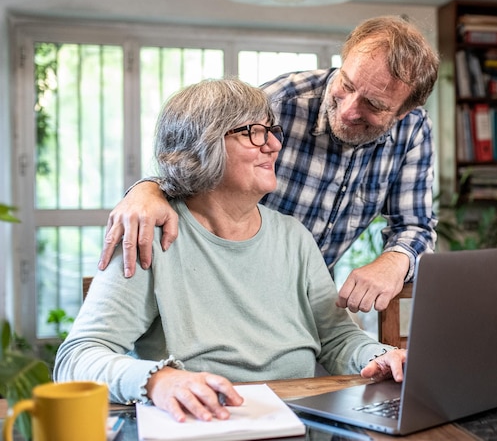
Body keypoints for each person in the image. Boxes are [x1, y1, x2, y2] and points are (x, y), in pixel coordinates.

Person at [54, 78, 406, 423]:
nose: (273, 146)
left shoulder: (293, 236)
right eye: (252, 132)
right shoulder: (148, 232)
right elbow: (76, 359)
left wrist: (380, 357)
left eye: (272, 131)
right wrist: (157, 380)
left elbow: (337, 338)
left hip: (298, 418)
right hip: (201, 422)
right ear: (201, 145)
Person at [97, 15, 440, 313]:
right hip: (225, 288)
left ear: (404, 111)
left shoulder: (412, 131)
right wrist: (147, 190)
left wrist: (395, 262)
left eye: (374, 104)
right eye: (346, 84)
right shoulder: (277, 103)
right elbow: (192, 162)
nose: (350, 110)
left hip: (308, 300)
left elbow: (415, 225)